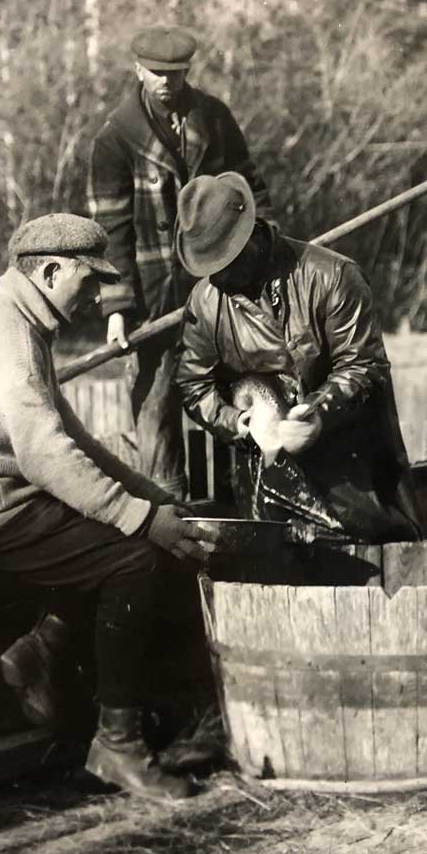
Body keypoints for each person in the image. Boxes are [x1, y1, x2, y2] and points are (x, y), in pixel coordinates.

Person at [0, 213, 216, 800]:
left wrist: (159, 500)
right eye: (90, 281)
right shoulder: (5, 333)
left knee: (119, 537)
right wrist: (143, 521)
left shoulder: (18, 323)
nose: (98, 296)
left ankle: (42, 651)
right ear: (50, 271)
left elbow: (76, 441)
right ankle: (118, 746)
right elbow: (46, 457)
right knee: (136, 561)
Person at [174, 172, 422, 544]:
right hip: (262, 474)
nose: (219, 277)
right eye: (209, 266)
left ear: (252, 236)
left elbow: (364, 366)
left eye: (226, 261)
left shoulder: (333, 276)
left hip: (351, 471)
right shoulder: (205, 302)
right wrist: (239, 421)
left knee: (368, 566)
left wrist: (318, 413)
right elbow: (193, 384)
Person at [88, 26, 273, 501]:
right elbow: (111, 232)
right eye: (156, 73)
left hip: (223, 288)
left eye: (176, 72)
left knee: (243, 397)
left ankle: (251, 504)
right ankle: (168, 522)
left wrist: (267, 262)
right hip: (154, 302)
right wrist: (117, 309)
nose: (167, 82)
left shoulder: (214, 119)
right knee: (156, 414)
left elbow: (252, 192)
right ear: (137, 71)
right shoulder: (114, 141)